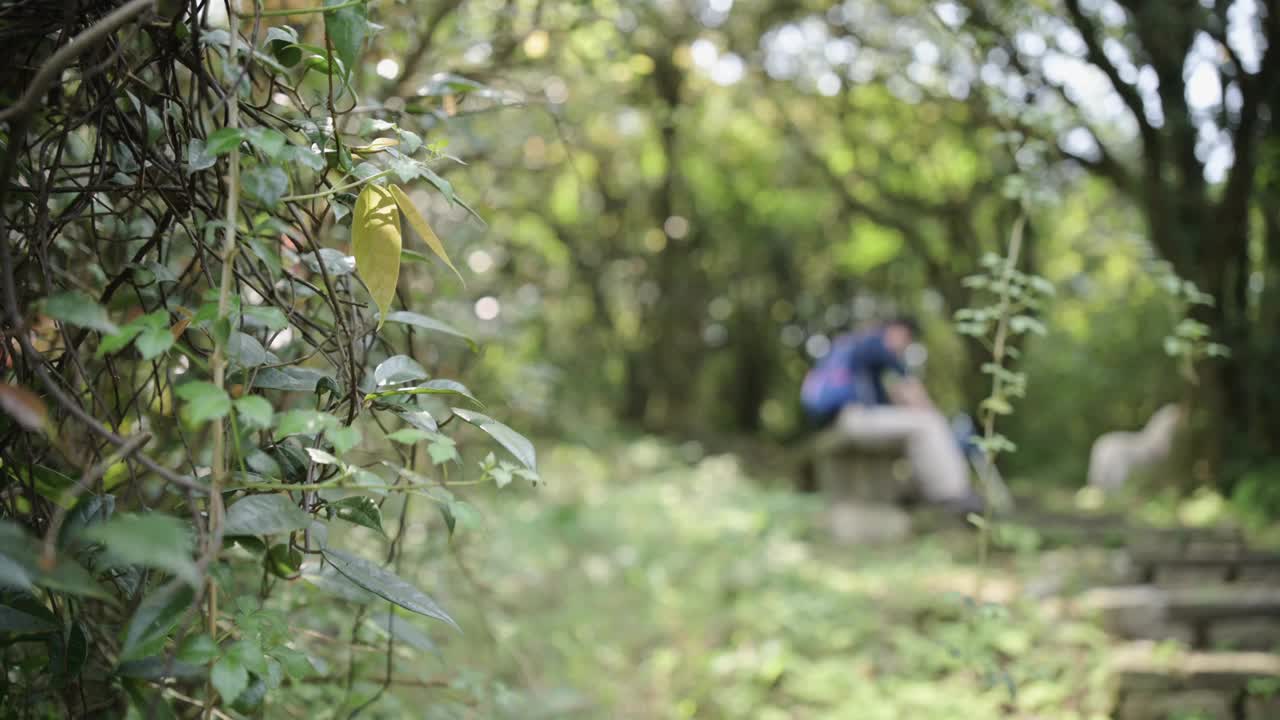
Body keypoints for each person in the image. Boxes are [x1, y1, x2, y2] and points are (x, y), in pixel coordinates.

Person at [801, 317, 983, 511]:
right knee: (929, 423)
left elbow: (892, 396)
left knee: (917, 428)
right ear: (898, 331)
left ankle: (918, 493)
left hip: (836, 421)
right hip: (853, 418)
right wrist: (935, 414)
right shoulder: (876, 344)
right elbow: (911, 391)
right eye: (907, 339)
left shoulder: (852, 348)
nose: (905, 346)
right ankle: (954, 495)